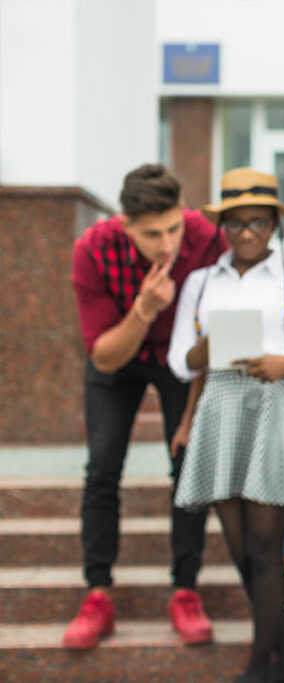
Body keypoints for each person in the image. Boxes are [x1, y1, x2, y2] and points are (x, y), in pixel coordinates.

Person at [168, 168, 284, 683]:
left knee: (265, 545)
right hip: (220, 409)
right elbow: (179, 361)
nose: (244, 234)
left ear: (274, 225)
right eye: (234, 224)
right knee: (241, 549)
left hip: (274, 408)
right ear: (222, 228)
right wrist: (207, 348)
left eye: (256, 222)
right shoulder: (200, 282)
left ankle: (262, 666)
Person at [66, 164, 224, 650]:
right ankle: (97, 595)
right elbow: (104, 355)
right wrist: (143, 309)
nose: (167, 244)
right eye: (152, 234)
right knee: (103, 468)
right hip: (123, 350)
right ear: (125, 224)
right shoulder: (93, 249)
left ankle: (185, 590)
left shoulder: (206, 238)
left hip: (183, 358)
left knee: (189, 467)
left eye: (173, 227)